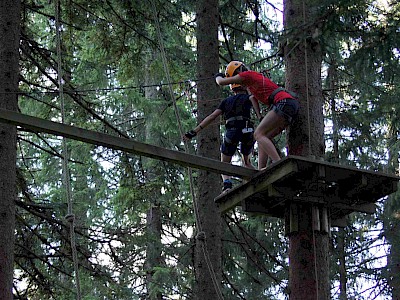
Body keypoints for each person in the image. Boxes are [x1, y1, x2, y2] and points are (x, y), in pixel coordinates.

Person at [214, 60, 300, 169]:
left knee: (258, 134)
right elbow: (253, 98)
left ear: (238, 72)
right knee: (264, 136)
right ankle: (261, 169)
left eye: (234, 77)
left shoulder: (246, 75)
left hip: (284, 102)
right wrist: (259, 116)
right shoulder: (250, 85)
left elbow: (221, 82)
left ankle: (279, 163)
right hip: (289, 104)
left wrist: (218, 76)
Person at [183, 83, 256, 192]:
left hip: (232, 132)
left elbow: (212, 117)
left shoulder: (226, 101)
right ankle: (258, 177)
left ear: (233, 89)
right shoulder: (248, 98)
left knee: (224, 164)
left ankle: (227, 185)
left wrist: (194, 132)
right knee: (247, 162)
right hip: (248, 131)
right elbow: (255, 102)